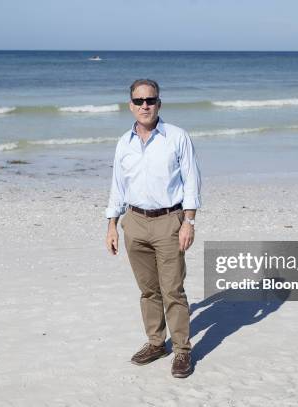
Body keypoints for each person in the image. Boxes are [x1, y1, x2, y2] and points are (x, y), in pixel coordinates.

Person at [105, 79, 201, 378]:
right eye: (138, 101)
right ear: (130, 105)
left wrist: (189, 221)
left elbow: (192, 181)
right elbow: (117, 187)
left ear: (159, 102)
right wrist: (111, 224)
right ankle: (156, 343)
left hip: (169, 221)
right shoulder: (124, 142)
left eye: (150, 100)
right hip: (133, 222)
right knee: (148, 291)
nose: (144, 105)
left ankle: (182, 351)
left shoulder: (177, 137)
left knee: (173, 289)